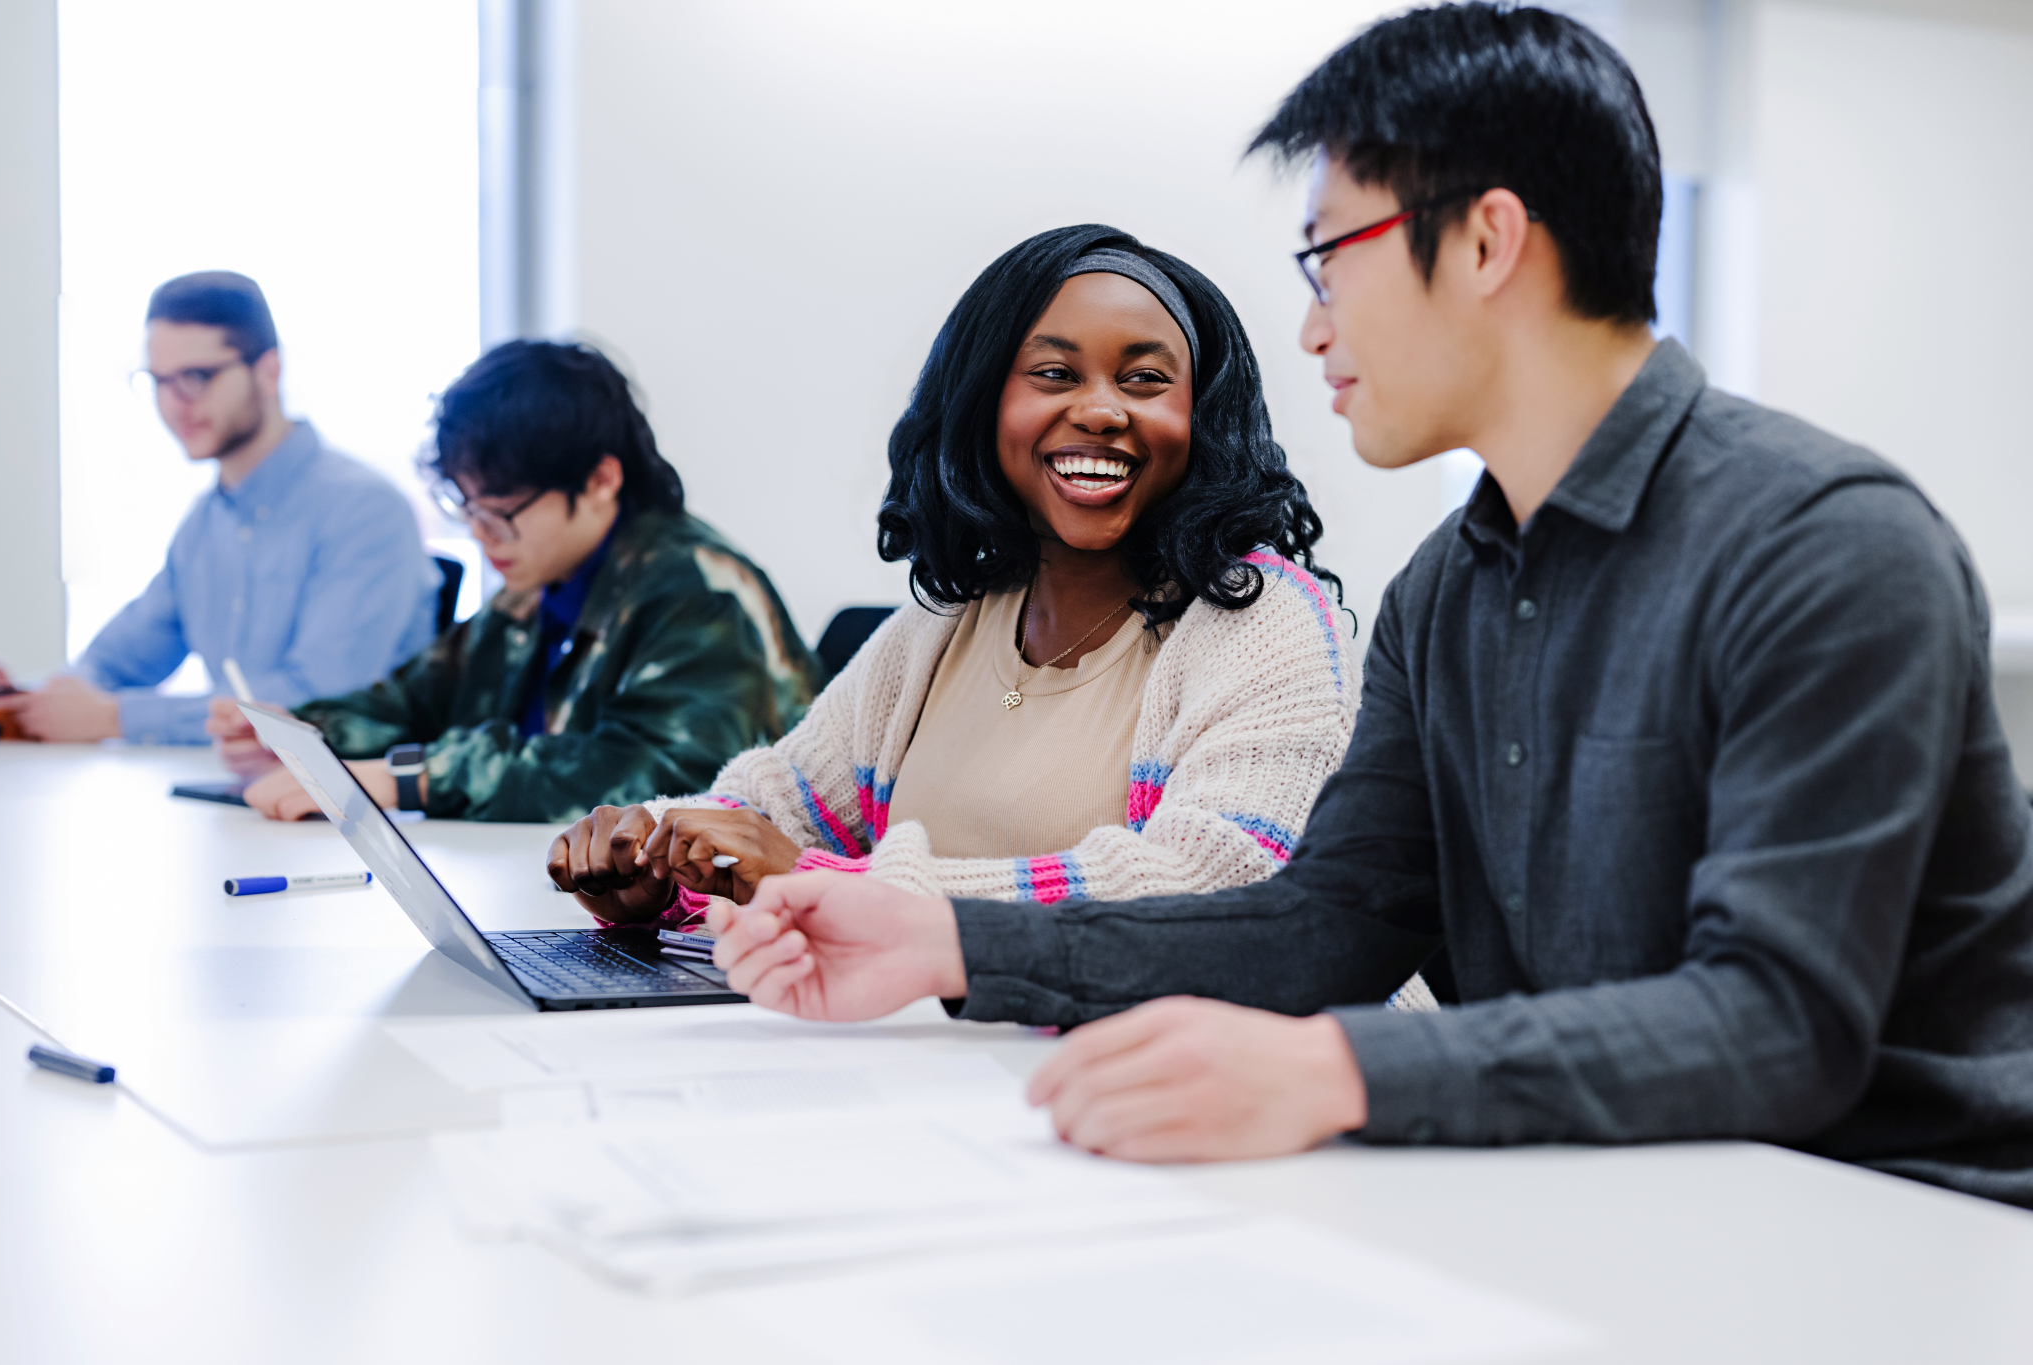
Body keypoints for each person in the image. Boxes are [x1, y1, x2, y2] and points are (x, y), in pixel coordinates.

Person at [701, 3, 2033, 1208]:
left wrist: (1339, 1070)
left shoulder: (1825, 547)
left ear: (1488, 241)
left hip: (1896, 1222)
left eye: (1329, 257)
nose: (1313, 329)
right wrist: (939, 935)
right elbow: (1323, 927)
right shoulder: (1444, 591)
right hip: (1611, 1190)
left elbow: (1776, 1024)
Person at [547, 226, 1434, 1010]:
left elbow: (1216, 890)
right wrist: (661, 859)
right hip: (993, 1089)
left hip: (1272, 1114)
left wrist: (847, 891)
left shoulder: (1263, 618)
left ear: (1199, 415)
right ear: (983, 404)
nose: (1099, 408)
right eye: (1053, 373)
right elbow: (779, 806)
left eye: (1146, 379)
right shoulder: (942, 630)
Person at [210, 339, 823, 823]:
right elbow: (416, 700)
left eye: (501, 511)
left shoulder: (698, 592)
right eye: (468, 509)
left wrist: (410, 781)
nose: (482, 536)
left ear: (602, 480)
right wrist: (304, 734)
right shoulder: (538, 587)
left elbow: (660, 774)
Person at [0, 271, 436, 743]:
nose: (175, 403)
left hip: (346, 805)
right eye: (159, 381)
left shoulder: (365, 512)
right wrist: (20, 698)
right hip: (240, 795)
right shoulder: (205, 526)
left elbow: (317, 698)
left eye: (197, 377)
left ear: (269, 372)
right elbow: (114, 664)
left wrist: (116, 718)